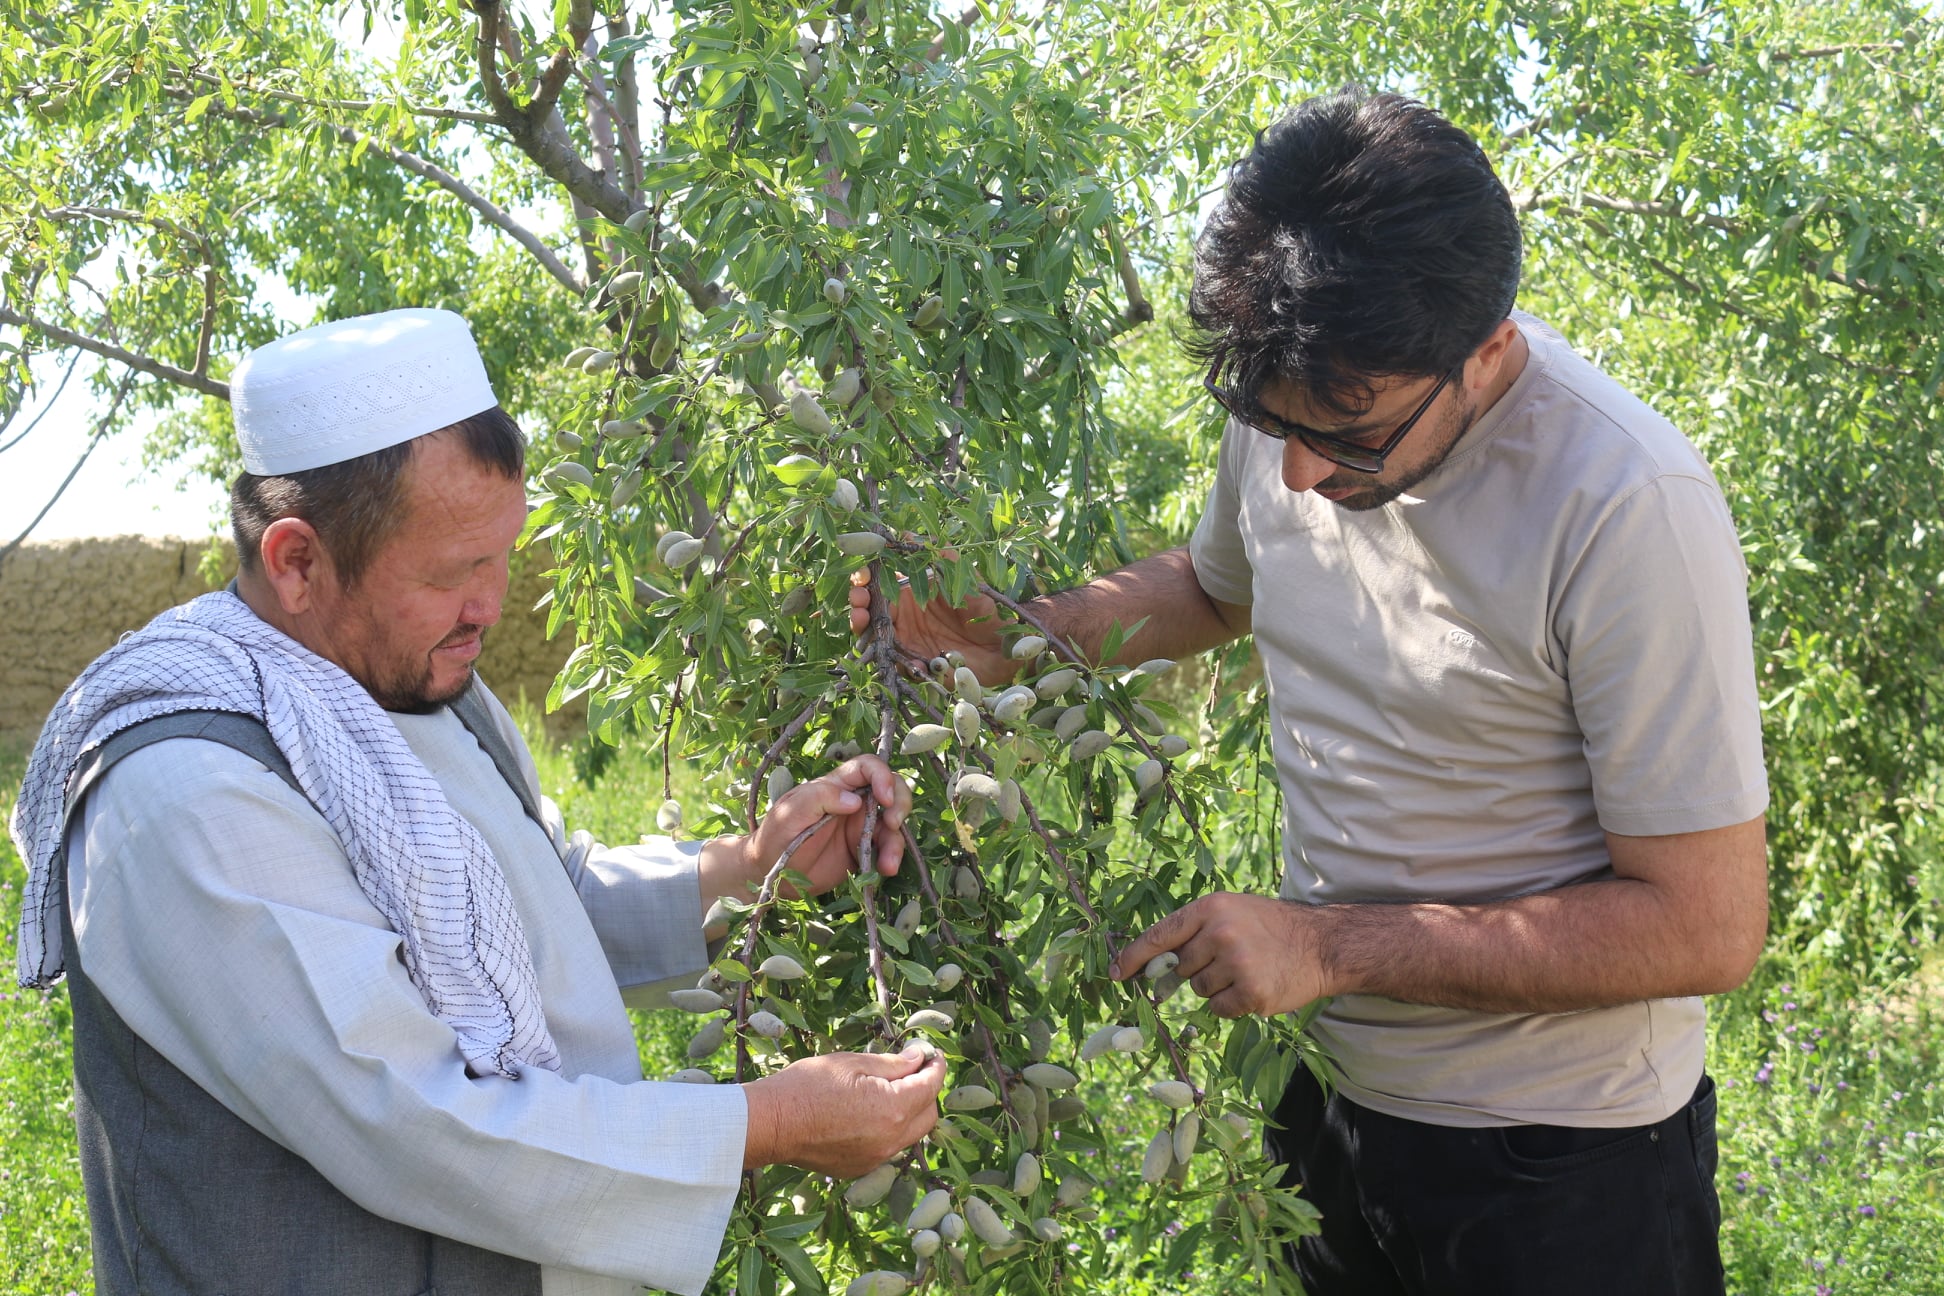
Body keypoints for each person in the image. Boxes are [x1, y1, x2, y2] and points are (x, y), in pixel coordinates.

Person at [852, 90, 1767, 1294]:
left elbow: (1705, 925)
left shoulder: (1625, 505)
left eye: (1352, 436)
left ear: (1486, 352)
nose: (1296, 471)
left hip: (1567, 1164)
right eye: (1265, 422)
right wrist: (1024, 636)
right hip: (1330, 1109)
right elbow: (1217, 587)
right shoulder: (1306, 388)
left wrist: (1328, 947)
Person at [12, 307, 945, 1296]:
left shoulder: (407, 677)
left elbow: (534, 904)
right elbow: (411, 1119)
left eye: (503, 554)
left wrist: (753, 868)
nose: (492, 607)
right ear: (296, 562)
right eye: (455, 572)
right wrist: (770, 1123)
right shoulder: (182, 795)